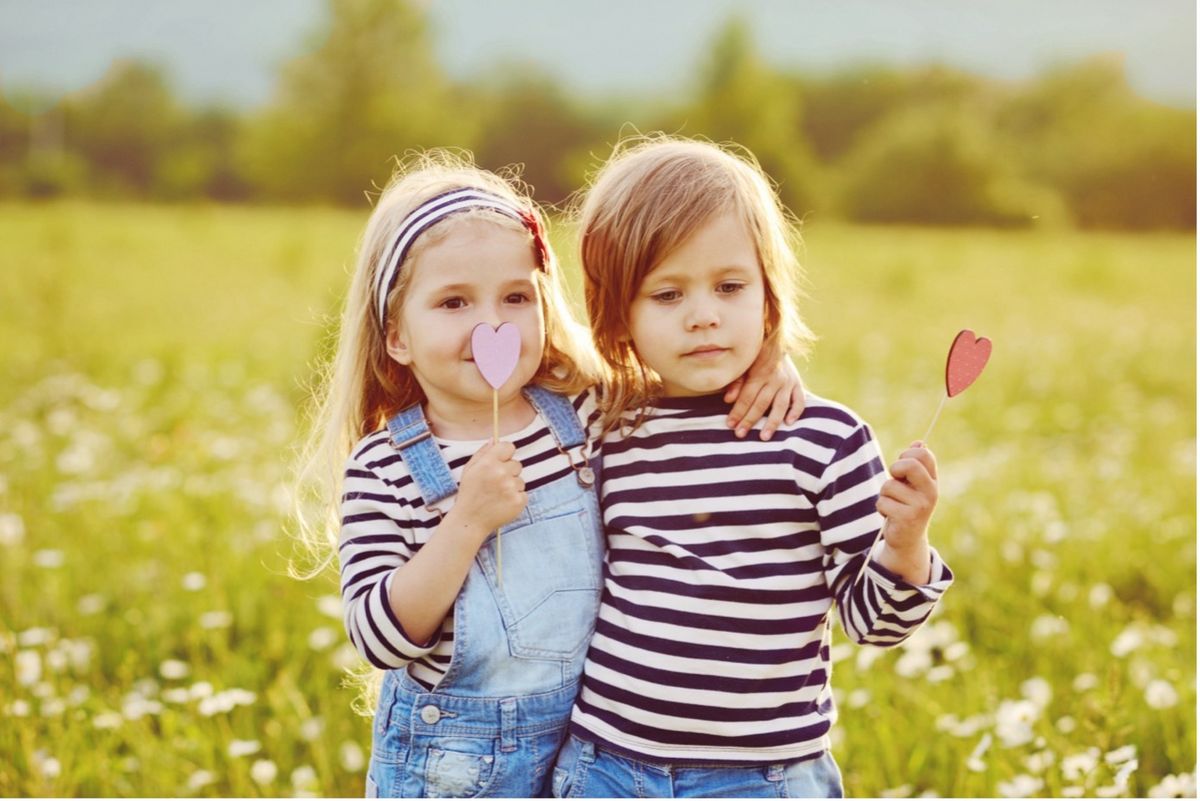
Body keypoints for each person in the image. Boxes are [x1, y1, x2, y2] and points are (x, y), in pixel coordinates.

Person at [292, 150, 805, 797]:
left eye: (515, 296)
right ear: (396, 334)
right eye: (454, 302)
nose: (492, 324)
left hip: (591, 749)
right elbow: (378, 636)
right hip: (453, 762)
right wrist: (467, 520)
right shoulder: (386, 465)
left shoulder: (584, 413)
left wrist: (765, 362)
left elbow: (690, 383)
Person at [551, 136, 955, 799]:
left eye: (730, 286)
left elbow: (871, 622)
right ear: (618, 315)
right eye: (667, 294)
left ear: (769, 294)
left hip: (763, 779)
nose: (704, 314)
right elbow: (515, 380)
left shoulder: (824, 439)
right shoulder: (603, 421)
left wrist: (906, 544)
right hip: (606, 766)